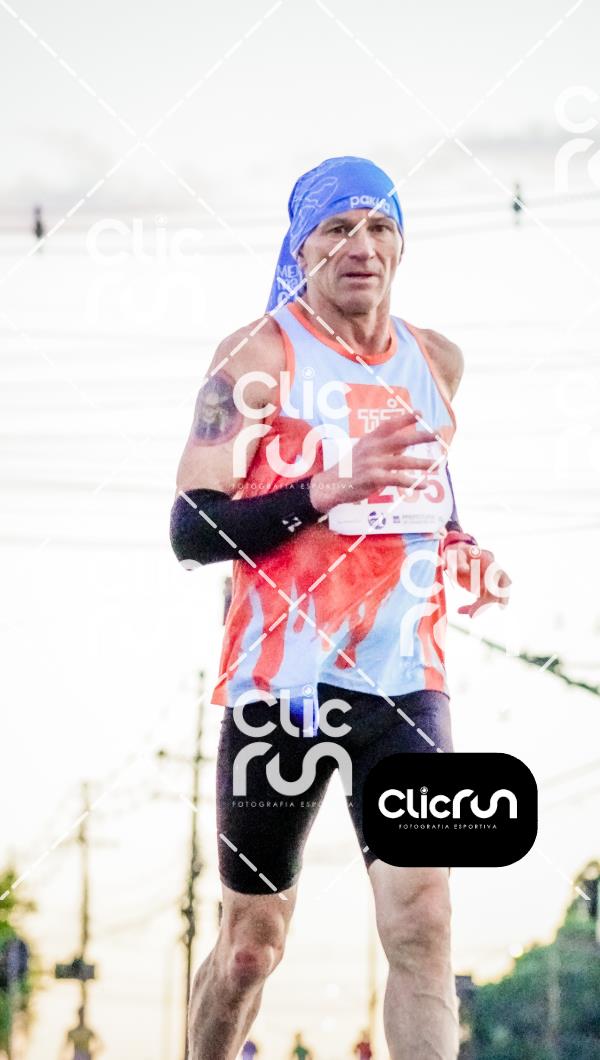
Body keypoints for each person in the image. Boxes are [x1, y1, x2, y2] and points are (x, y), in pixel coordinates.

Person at [170, 156, 511, 1060]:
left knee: (425, 921)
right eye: (337, 229)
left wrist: (461, 546)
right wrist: (323, 490)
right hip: (280, 684)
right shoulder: (255, 359)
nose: (361, 246)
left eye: (380, 227)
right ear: (302, 247)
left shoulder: (437, 362)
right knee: (251, 947)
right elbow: (191, 529)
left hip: (406, 682)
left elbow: (428, 488)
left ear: (402, 245)